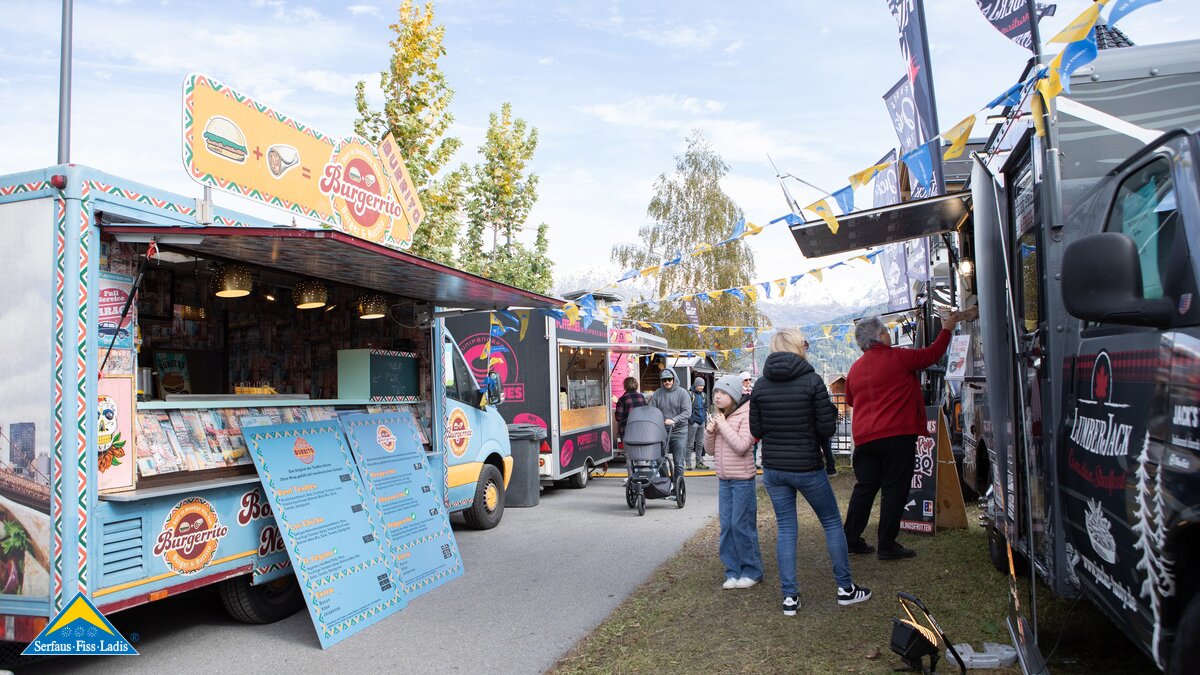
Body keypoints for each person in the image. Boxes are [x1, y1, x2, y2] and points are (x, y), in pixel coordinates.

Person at [750, 328, 871, 615]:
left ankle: (789, 598)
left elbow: (756, 430)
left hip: (774, 468)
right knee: (830, 522)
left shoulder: (760, 385)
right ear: (798, 347)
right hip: (807, 465)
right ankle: (845, 589)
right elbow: (826, 429)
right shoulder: (812, 381)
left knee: (787, 529)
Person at [842, 313, 957, 561]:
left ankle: (850, 539)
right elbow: (932, 354)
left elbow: (851, 399)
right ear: (880, 336)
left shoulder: (855, 368)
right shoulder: (899, 358)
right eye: (885, 331)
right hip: (896, 433)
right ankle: (886, 544)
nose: (888, 334)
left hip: (864, 436)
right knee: (895, 489)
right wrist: (947, 329)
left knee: (865, 488)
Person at [706, 374, 762, 590]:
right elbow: (710, 450)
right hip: (724, 480)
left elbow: (742, 446)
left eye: (722, 393)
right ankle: (732, 571)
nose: (717, 397)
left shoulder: (745, 415)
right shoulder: (720, 417)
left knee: (742, 525)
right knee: (727, 526)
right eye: (716, 393)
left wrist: (723, 426)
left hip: (742, 480)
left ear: (734, 395)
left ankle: (752, 570)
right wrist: (710, 432)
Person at [803, 338, 838, 476]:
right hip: (820, 420)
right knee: (825, 445)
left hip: (815, 420)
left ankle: (827, 468)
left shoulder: (812, 380)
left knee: (821, 445)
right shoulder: (815, 380)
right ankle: (830, 468)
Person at [649, 368, 691, 477]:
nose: (667, 382)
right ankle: (666, 482)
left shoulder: (682, 393)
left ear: (674, 379)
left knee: (679, 462)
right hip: (662, 431)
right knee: (659, 459)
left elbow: (687, 412)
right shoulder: (657, 394)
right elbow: (651, 410)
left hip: (679, 432)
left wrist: (674, 420)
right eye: (664, 380)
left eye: (669, 379)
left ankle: (678, 485)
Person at [686, 377, 709, 470]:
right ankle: (688, 463)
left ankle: (699, 462)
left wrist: (705, 419)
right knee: (690, 443)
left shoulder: (704, 395)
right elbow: (687, 408)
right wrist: (691, 419)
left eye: (703, 385)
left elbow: (706, 407)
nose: (701, 387)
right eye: (700, 385)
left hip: (701, 422)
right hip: (693, 422)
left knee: (700, 443)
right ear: (695, 385)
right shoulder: (690, 394)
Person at [614, 376, 645, 441]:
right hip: (641, 429)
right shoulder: (641, 397)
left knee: (628, 450)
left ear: (625, 386)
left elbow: (618, 418)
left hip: (627, 430)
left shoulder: (622, 399)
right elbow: (645, 412)